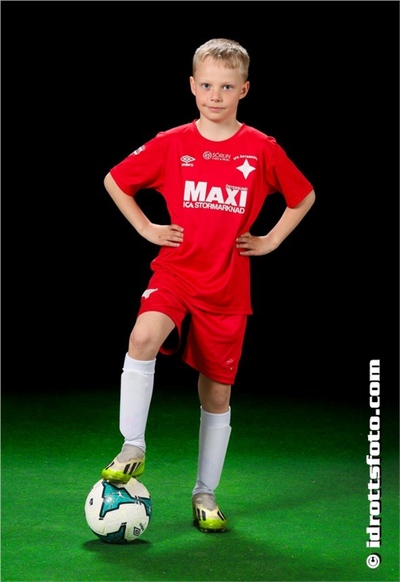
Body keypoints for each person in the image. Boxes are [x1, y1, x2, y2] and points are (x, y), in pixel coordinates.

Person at [101, 37, 315, 533]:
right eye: (207, 86)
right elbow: (116, 180)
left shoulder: (261, 148)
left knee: (216, 395)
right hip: (176, 273)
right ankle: (133, 444)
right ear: (192, 86)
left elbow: (302, 196)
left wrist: (271, 240)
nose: (216, 96)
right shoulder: (172, 142)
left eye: (227, 87)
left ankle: (204, 492)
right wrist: (146, 228)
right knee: (142, 337)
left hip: (227, 287)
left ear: (244, 89)